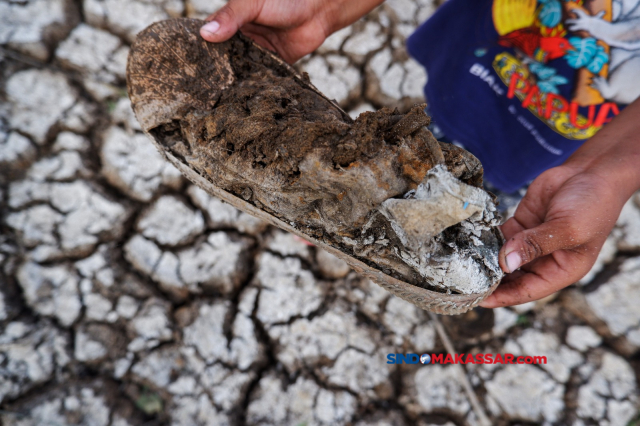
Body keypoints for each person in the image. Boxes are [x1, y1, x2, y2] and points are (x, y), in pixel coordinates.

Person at [199, 0, 640, 308]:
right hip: (477, 59)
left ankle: (444, 217)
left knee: (491, 189)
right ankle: (362, 216)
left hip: (560, 138)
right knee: (426, 135)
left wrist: (604, 174)